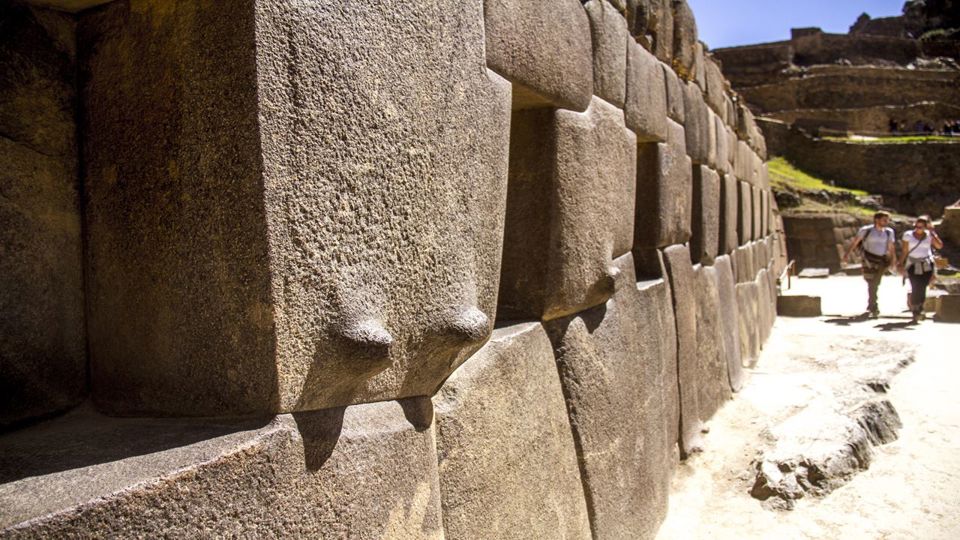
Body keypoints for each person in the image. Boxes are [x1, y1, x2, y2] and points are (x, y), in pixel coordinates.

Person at [842, 211, 896, 318]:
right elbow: (855, 242)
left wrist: (893, 260)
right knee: (871, 282)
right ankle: (873, 306)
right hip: (868, 260)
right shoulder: (866, 230)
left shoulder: (889, 232)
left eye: (887, 220)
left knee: (875, 283)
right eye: (884, 220)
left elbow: (891, 247)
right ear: (877, 220)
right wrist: (847, 255)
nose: (886, 222)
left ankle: (872, 306)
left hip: (881, 260)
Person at [898, 216, 944, 323]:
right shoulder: (908, 235)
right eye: (917, 226)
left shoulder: (929, 235)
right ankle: (916, 309)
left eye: (921, 227)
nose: (918, 229)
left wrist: (933, 233)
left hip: (926, 264)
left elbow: (939, 246)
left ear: (925, 227)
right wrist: (900, 263)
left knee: (923, 286)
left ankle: (920, 307)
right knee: (915, 286)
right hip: (913, 264)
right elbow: (905, 250)